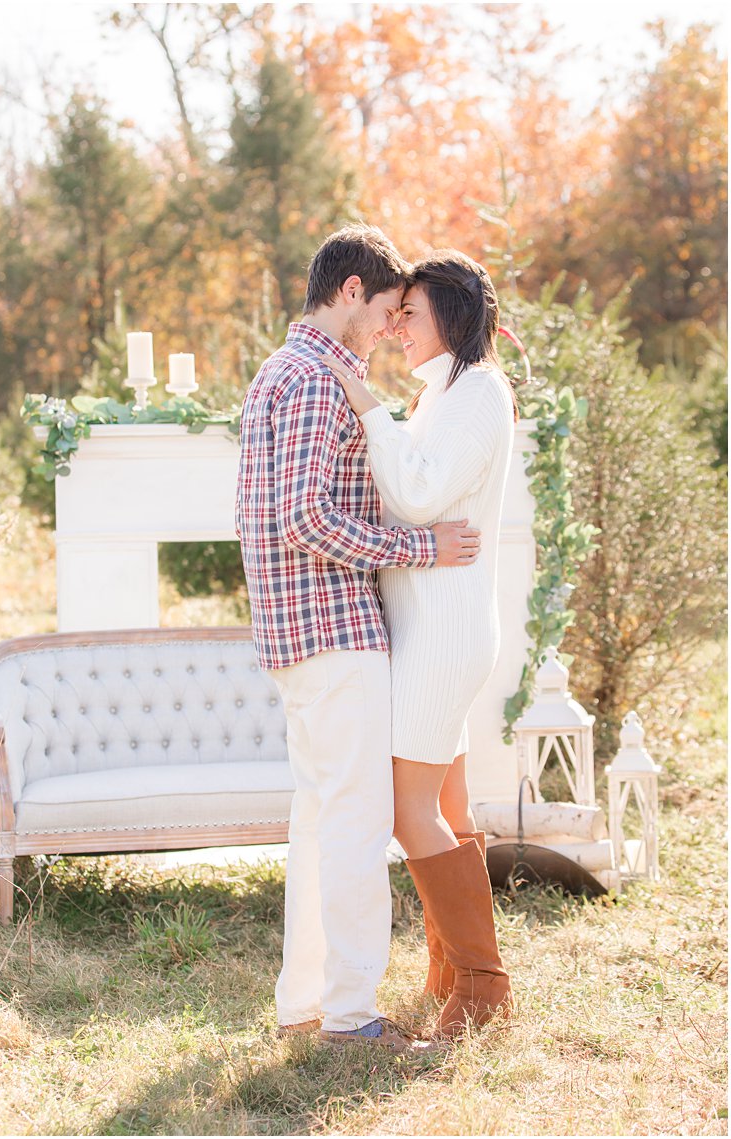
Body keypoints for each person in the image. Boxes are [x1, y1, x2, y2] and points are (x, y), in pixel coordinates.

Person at [235, 223, 482, 1054]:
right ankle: (349, 1016)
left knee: (320, 819)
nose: (388, 328)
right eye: (383, 310)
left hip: (295, 633)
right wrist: (423, 546)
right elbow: (306, 515)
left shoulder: (281, 372)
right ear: (350, 292)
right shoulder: (316, 380)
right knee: (355, 822)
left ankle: (305, 1004)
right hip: (333, 630)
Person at [318, 250, 517, 1038]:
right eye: (394, 314)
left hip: (443, 631)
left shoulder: (479, 394)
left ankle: (481, 988)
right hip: (432, 624)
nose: (396, 327)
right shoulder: (445, 395)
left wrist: (365, 404)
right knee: (447, 806)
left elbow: (420, 495)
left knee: (409, 813)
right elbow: (414, 497)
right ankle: (452, 976)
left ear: (457, 320)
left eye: (412, 315)